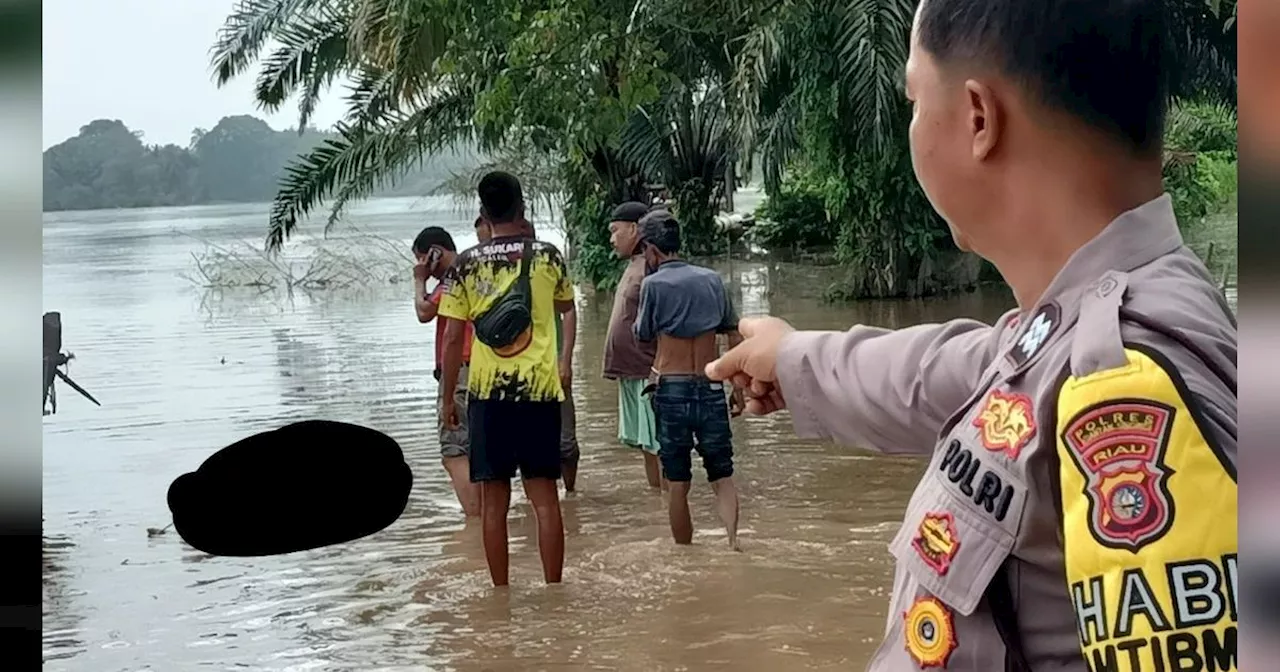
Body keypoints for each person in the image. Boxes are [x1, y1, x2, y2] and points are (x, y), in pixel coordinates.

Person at [704, 1, 1237, 670]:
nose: (913, 126)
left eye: (914, 99)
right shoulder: (1077, 327)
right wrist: (793, 358)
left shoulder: (1126, 379)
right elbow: (952, 369)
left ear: (979, 119)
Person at [437, 171, 577, 587]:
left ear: (483, 213)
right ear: (523, 207)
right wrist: (564, 361)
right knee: (545, 500)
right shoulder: (548, 257)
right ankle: (554, 590)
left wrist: (447, 400)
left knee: (494, 504)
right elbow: (567, 308)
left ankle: (501, 595)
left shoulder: (465, 264)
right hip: (539, 392)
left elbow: (451, 340)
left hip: (487, 396)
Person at [633, 210, 746, 550]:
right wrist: (737, 386)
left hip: (672, 388)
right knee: (722, 475)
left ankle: (684, 555)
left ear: (652, 250)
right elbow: (733, 336)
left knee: (678, 480)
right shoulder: (712, 279)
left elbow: (642, 333)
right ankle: (732, 543)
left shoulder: (653, 285)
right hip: (712, 384)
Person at [411, 226, 479, 517]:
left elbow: (424, 312)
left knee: (453, 451)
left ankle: (475, 520)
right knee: (476, 448)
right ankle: (486, 516)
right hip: (483, 367)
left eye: (422, 258)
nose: (422, 266)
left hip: (460, 369)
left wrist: (418, 281)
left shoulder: (453, 278)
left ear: (435, 253)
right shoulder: (475, 269)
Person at [603, 201, 663, 488]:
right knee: (646, 444)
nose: (612, 239)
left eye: (615, 231)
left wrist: (659, 370)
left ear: (634, 229)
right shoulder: (633, 265)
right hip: (630, 372)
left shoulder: (652, 268)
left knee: (657, 445)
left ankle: (668, 504)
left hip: (647, 372)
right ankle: (658, 504)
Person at [519, 218, 582, 492]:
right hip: (516, 371)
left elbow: (568, 310)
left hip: (552, 364)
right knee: (527, 445)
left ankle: (570, 494)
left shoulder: (547, 266)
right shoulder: (492, 274)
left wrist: (565, 360)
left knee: (567, 443)